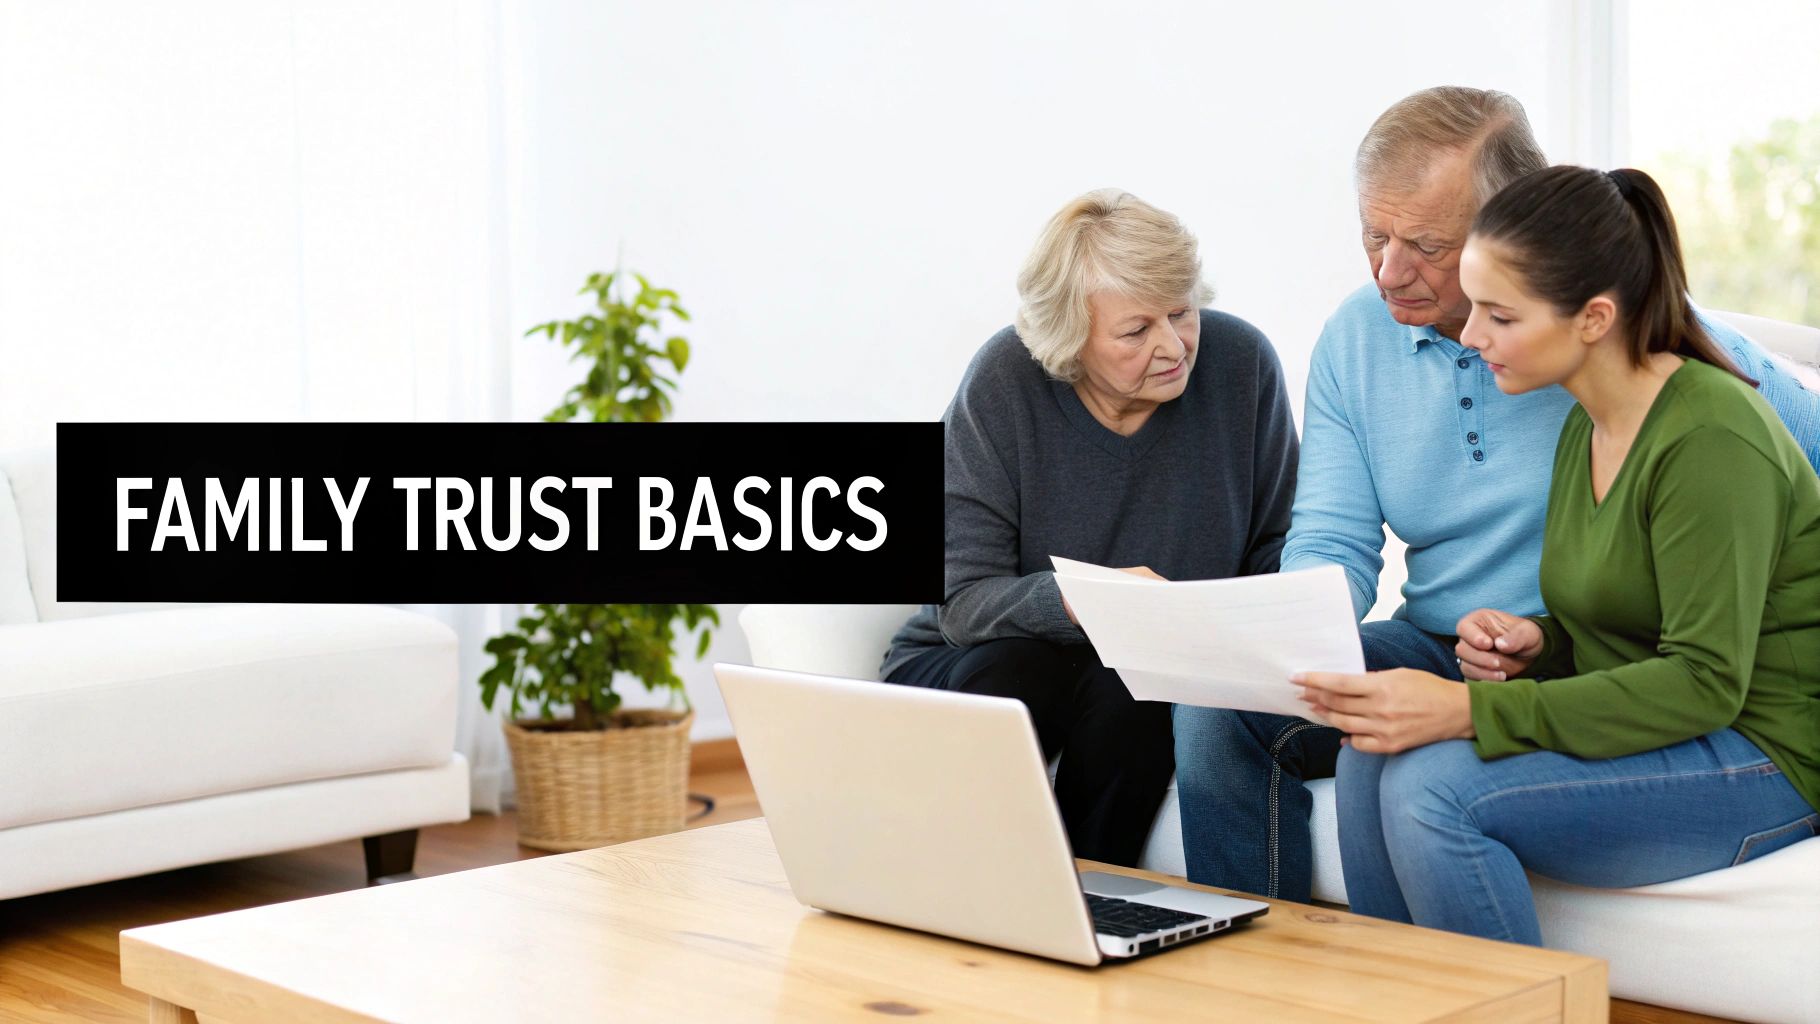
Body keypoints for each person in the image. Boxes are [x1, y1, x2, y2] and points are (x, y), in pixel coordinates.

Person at [1172, 86, 1820, 902]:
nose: (1388, 271)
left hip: (1595, 666)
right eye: (1373, 236)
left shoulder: (1642, 364)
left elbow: (1758, 485)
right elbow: (1330, 537)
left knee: (1419, 784)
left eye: (1425, 244)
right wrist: (1283, 643)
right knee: (1221, 708)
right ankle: (1269, 985)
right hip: (1481, 640)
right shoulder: (1359, 338)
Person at [880, 189, 1299, 866]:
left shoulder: (1241, 364)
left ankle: (1090, 902)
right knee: (1025, 674)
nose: (1173, 346)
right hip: (981, 658)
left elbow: (1276, 546)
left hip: (1146, 667)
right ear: (1071, 340)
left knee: (1133, 686)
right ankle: (975, 891)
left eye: (1182, 312)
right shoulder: (1005, 381)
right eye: (1136, 331)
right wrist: (1089, 597)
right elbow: (961, 605)